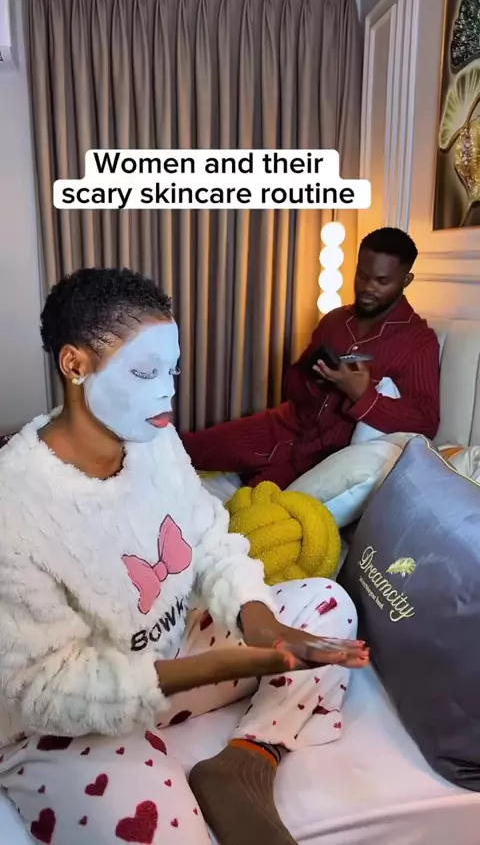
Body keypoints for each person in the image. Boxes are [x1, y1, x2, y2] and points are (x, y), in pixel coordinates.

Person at [0, 267, 369, 845]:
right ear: (75, 366)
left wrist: (261, 624)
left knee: (328, 604)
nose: (167, 393)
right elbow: (41, 689)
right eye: (144, 373)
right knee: (155, 826)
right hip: (69, 717)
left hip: (172, 657)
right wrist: (226, 666)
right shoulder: (15, 505)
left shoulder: (155, 440)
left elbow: (209, 539)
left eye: (171, 370)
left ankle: (248, 758)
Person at [183, 227, 441, 489]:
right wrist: (315, 378)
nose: (367, 288)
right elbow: (292, 383)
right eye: (362, 276)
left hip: (324, 457)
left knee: (251, 501)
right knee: (186, 448)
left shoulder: (418, 341)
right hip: (285, 426)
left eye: (381, 281)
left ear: (406, 280)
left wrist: (362, 394)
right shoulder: (335, 320)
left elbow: (426, 421)